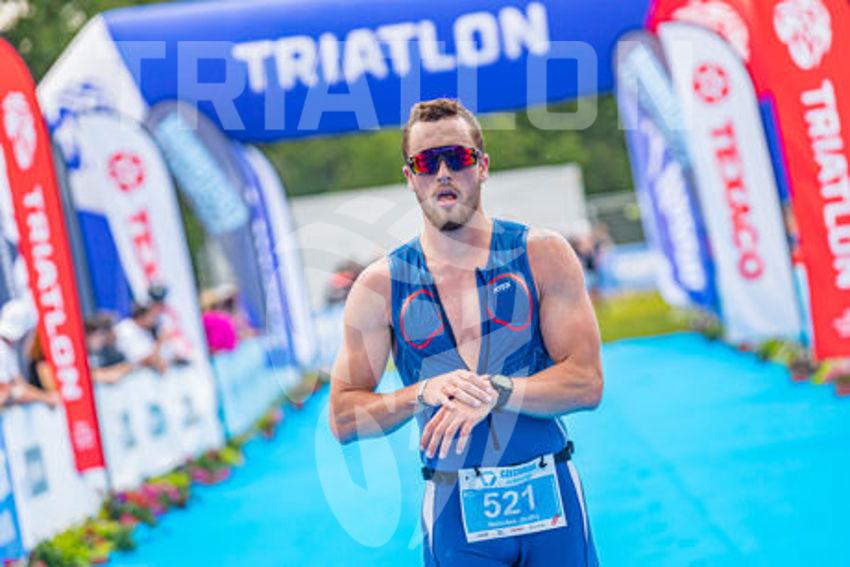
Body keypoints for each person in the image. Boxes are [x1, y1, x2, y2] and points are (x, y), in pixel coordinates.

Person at [329, 98, 603, 566]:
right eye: (426, 162)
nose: (442, 173)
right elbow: (343, 418)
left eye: (456, 158)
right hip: (455, 510)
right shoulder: (380, 286)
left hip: (551, 498)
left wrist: (496, 391)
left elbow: (586, 383)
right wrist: (422, 393)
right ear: (409, 176)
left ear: (482, 167)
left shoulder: (542, 255)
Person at [0, 299, 60, 408]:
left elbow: (18, 384)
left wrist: (45, 397)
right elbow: (7, 391)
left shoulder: (7, 349)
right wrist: (47, 398)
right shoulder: (3, 350)